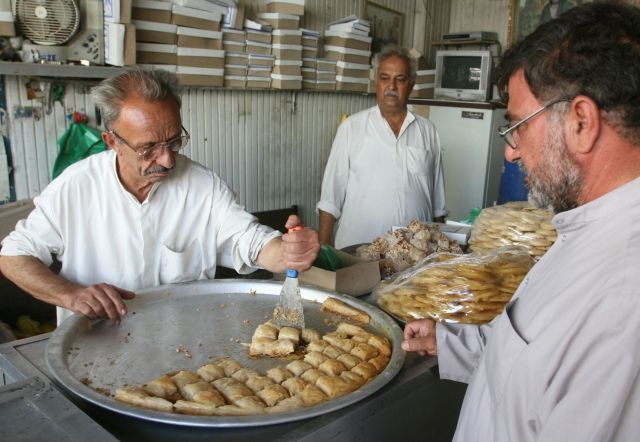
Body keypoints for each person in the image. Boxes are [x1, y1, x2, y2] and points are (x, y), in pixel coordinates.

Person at [402, 2, 640, 440]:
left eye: (519, 127)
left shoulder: (623, 301)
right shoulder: (579, 233)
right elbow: (529, 353)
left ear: (581, 123)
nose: (511, 151)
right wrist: (450, 343)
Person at [0, 68, 320, 325]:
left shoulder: (202, 186)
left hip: (184, 349)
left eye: (174, 141)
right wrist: (70, 295)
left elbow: (251, 243)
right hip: (94, 353)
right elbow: (13, 256)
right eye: (148, 148)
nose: (167, 160)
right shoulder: (76, 187)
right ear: (112, 141)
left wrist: (288, 250)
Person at [317, 45, 446, 249]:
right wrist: (323, 250)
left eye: (400, 79)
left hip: (416, 253)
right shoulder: (351, 127)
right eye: (385, 78)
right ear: (376, 82)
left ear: (411, 85)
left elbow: (438, 203)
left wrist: (441, 250)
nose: (391, 86)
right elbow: (330, 197)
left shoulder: (428, 131)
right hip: (359, 250)